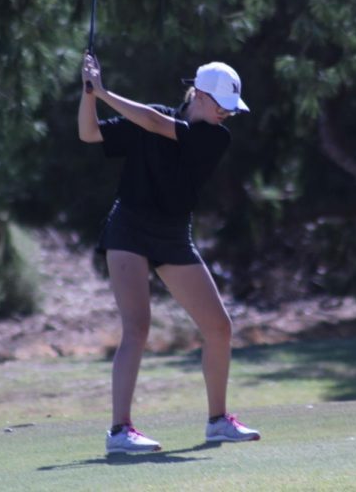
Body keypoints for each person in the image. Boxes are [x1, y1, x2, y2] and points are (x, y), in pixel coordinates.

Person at [78, 52, 261, 455]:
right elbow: (89, 134)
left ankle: (218, 422)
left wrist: (105, 90)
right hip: (128, 226)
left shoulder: (214, 136)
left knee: (219, 327)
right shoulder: (152, 117)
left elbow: (157, 124)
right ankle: (119, 432)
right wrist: (89, 94)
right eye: (221, 107)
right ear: (198, 94)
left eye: (232, 109)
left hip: (173, 234)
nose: (227, 115)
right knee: (137, 328)